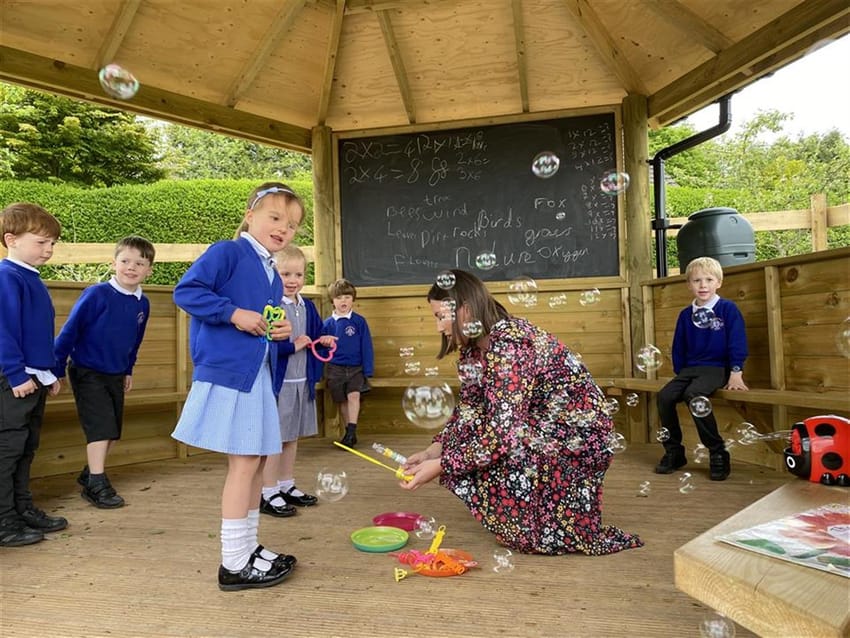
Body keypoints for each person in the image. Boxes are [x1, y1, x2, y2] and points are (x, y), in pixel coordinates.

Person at [400, 269, 642, 556]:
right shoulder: (472, 350)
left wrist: (442, 465)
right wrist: (433, 452)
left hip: (578, 433)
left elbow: (503, 434)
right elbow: (470, 412)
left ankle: (540, 528)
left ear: (464, 310)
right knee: (476, 443)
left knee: (496, 446)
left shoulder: (509, 344)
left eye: (440, 316)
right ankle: (526, 525)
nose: (439, 327)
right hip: (540, 425)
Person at [171, 182, 303, 590]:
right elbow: (186, 291)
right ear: (250, 215)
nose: (284, 229)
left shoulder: (270, 272)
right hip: (232, 376)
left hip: (255, 377)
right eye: (275, 217)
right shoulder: (227, 252)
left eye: (294, 225)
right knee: (245, 464)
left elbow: (261, 321)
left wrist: (278, 331)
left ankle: (248, 548)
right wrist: (232, 314)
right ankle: (233, 562)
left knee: (259, 462)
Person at [53, 236, 155, 509]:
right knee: (100, 428)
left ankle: (89, 474)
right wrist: (56, 368)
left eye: (139, 263)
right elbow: (69, 332)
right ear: (114, 264)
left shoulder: (142, 304)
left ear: (149, 270)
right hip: (87, 370)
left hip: (115, 373)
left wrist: (128, 369)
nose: (131, 267)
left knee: (112, 431)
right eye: (125, 261)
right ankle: (97, 483)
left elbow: (135, 340)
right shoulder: (96, 294)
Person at [0, 203, 68, 547]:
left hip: (33, 378)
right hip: (12, 382)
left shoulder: (31, 278)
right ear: (11, 240)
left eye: (53, 243)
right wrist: (15, 374)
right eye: (42, 242)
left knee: (27, 447)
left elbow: (38, 334)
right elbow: (3, 331)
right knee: (7, 450)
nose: (49, 249)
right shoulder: (6, 277)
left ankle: (23, 509)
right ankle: (3, 521)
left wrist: (49, 373)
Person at [654, 256, 748, 481]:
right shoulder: (686, 315)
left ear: (719, 282)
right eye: (697, 280)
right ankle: (674, 452)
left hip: (717, 368)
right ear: (689, 285)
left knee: (693, 394)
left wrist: (736, 372)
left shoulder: (727, 309)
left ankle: (717, 452)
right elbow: (679, 346)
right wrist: (681, 373)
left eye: (708, 279)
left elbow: (737, 341)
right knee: (665, 396)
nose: (703, 285)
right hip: (689, 370)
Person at [260, 245, 335, 515]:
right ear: (273, 274)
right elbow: (267, 348)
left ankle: (285, 484)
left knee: (291, 438)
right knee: (274, 439)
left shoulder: (308, 306)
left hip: (301, 381)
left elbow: (316, 336)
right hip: (279, 385)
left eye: (299, 274)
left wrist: (324, 340)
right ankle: (267, 492)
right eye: (285, 274)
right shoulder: (271, 308)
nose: (292, 280)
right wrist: (295, 346)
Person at [321, 278, 373, 448]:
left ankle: (351, 430)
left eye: (347, 297)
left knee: (354, 395)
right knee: (342, 400)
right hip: (335, 368)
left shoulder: (359, 322)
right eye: (339, 297)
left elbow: (366, 346)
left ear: (353, 299)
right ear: (332, 301)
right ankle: (349, 432)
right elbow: (320, 348)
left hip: (355, 367)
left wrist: (368, 369)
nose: (343, 301)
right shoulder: (328, 324)